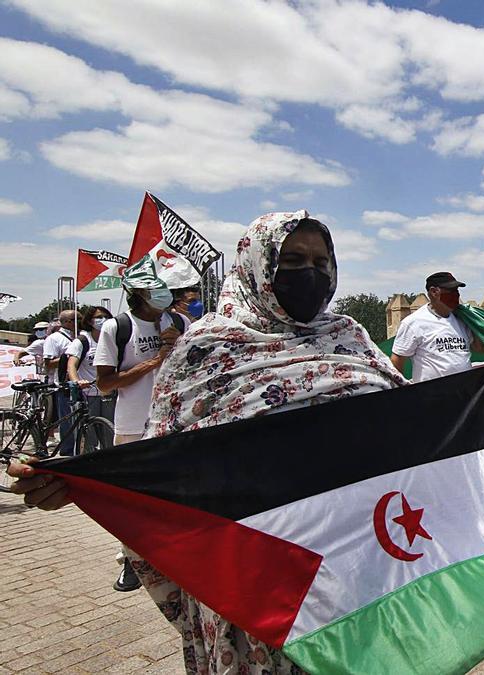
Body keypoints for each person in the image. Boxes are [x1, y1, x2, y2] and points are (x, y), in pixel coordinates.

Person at [10, 211, 404, 674]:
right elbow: (168, 475)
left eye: (322, 261)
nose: (311, 272)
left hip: (359, 563)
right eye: (292, 259)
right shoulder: (206, 351)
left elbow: (408, 426)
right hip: (257, 578)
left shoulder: (351, 339)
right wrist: (79, 485)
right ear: (258, 264)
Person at [94, 261, 188, 591]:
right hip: (133, 426)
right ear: (138, 294)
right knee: (133, 500)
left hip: (173, 425)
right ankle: (131, 560)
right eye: (154, 288)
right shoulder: (117, 328)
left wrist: (178, 350)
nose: (162, 293)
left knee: (177, 496)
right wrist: (155, 361)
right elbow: (105, 384)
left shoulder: (178, 322)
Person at [390, 272, 484, 382]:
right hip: (431, 395)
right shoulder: (414, 323)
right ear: (434, 292)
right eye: (451, 291)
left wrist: (478, 325)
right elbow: (397, 360)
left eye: (457, 291)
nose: (456, 295)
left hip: (465, 393)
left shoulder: (461, 320)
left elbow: (480, 349)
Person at [65, 305, 116, 449]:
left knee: (110, 434)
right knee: (89, 435)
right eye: (99, 317)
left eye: (106, 317)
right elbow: (71, 365)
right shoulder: (82, 341)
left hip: (108, 393)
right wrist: (77, 381)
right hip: (88, 394)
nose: (103, 320)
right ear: (89, 321)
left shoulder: (112, 339)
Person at [42, 310, 82, 456]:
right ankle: (67, 452)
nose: (80, 321)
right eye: (76, 319)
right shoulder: (54, 339)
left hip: (81, 383)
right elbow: (48, 364)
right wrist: (70, 357)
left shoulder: (81, 337)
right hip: (64, 385)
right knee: (68, 421)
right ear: (66, 322)